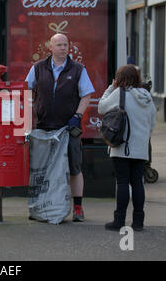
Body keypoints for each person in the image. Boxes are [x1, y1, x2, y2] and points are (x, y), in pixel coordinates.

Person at [25, 33, 95, 222]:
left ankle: (78, 208)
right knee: (42, 168)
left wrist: (77, 116)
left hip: (68, 128)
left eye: (66, 45)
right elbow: (25, 90)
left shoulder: (78, 69)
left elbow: (86, 95)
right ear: (51, 47)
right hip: (43, 128)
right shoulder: (38, 68)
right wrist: (31, 114)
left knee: (74, 167)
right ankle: (39, 207)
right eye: (59, 45)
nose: (63, 48)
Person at [98, 64, 156, 231]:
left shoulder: (119, 93)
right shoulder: (146, 96)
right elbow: (151, 123)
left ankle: (119, 220)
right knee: (137, 182)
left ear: (120, 78)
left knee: (123, 182)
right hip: (140, 148)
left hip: (122, 146)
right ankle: (138, 222)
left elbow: (102, 108)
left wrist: (111, 87)